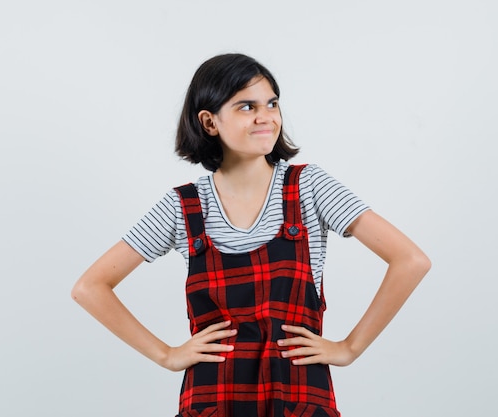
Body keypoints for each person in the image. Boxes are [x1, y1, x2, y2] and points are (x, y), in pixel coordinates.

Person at [71, 53, 431, 417]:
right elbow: (90, 287)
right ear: (210, 122)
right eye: (247, 106)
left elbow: (410, 261)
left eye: (272, 103)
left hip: (298, 400)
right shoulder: (183, 207)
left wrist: (350, 348)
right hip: (212, 400)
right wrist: (167, 355)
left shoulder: (309, 187)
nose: (266, 117)